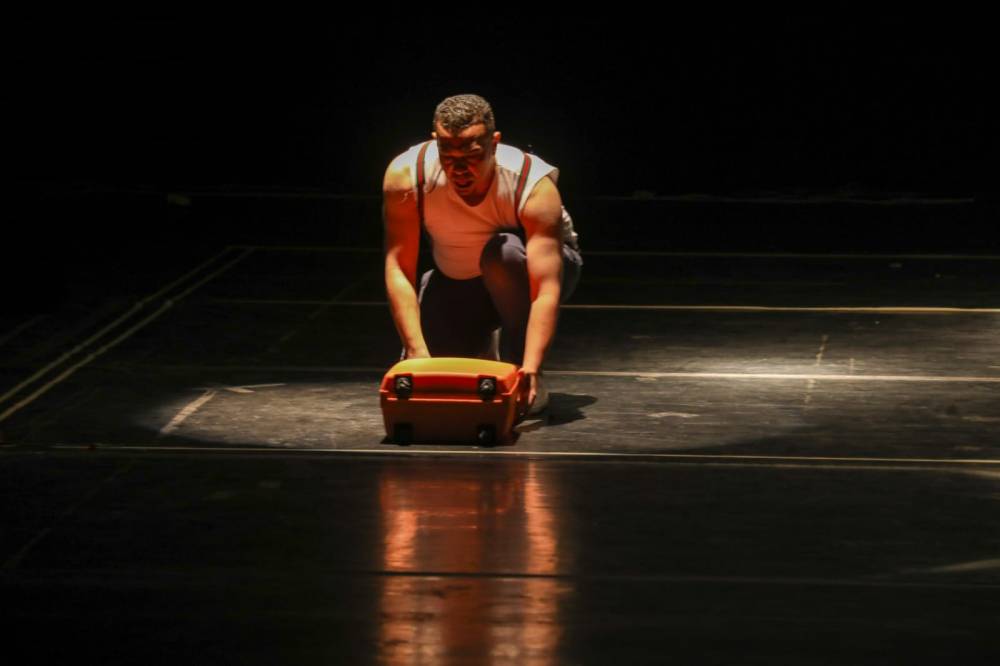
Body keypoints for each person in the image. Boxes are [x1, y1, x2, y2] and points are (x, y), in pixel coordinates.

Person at [382, 94, 582, 416]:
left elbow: (545, 289)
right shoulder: (406, 175)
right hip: (461, 277)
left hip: (530, 270)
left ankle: (516, 363)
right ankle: (482, 345)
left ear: (494, 142)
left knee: (502, 254)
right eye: (448, 155)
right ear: (435, 142)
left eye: (472, 155)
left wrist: (531, 366)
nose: (459, 168)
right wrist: (416, 351)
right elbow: (398, 267)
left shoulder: (530, 183)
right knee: (438, 376)